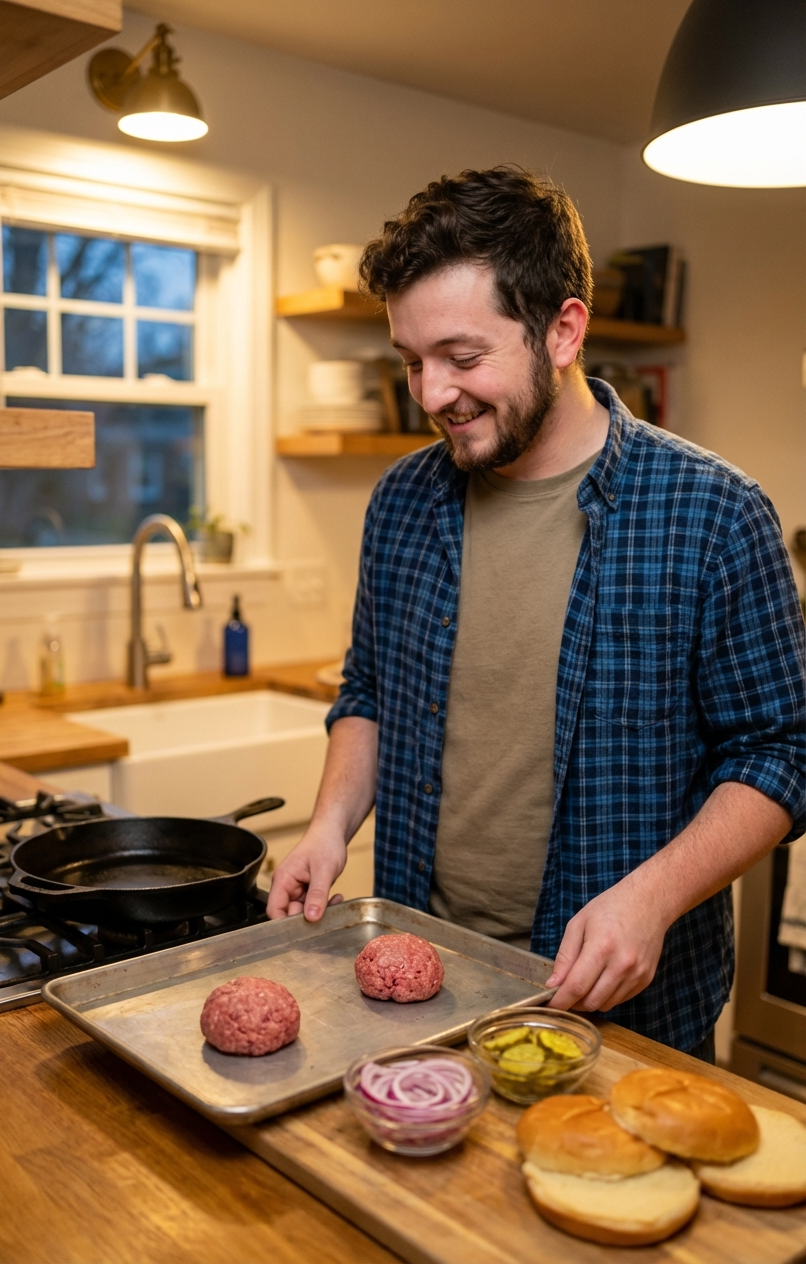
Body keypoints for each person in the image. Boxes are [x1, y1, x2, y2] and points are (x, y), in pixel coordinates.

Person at [267, 167, 805, 1058]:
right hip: (420, 985)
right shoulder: (402, 502)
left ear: (562, 330)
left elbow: (782, 752)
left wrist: (654, 897)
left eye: (463, 358)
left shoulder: (713, 512)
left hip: (627, 1009)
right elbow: (368, 692)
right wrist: (328, 828)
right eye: (412, 362)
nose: (433, 393)